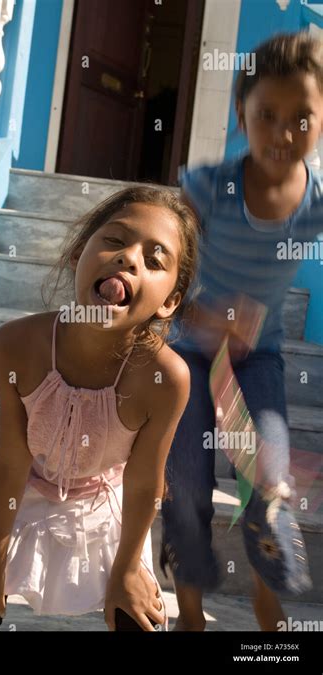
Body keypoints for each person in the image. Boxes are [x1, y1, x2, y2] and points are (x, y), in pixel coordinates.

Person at [0, 185, 199, 631]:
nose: (129, 259)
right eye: (115, 241)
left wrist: (124, 573)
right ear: (80, 252)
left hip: (100, 501)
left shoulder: (165, 379)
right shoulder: (15, 345)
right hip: (13, 489)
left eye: (155, 260)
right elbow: (11, 456)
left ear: (170, 302)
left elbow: (142, 485)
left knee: (135, 612)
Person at [161, 31, 322, 631]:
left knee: (270, 478)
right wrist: (207, 315)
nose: (283, 134)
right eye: (266, 117)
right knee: (187, 479)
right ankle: (191, 612)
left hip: (259, 360)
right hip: (189, 355)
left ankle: (266, 591)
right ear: (241, 116)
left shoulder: (317, 204)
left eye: (302, 118)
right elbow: (164, 273)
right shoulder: (207, 189)